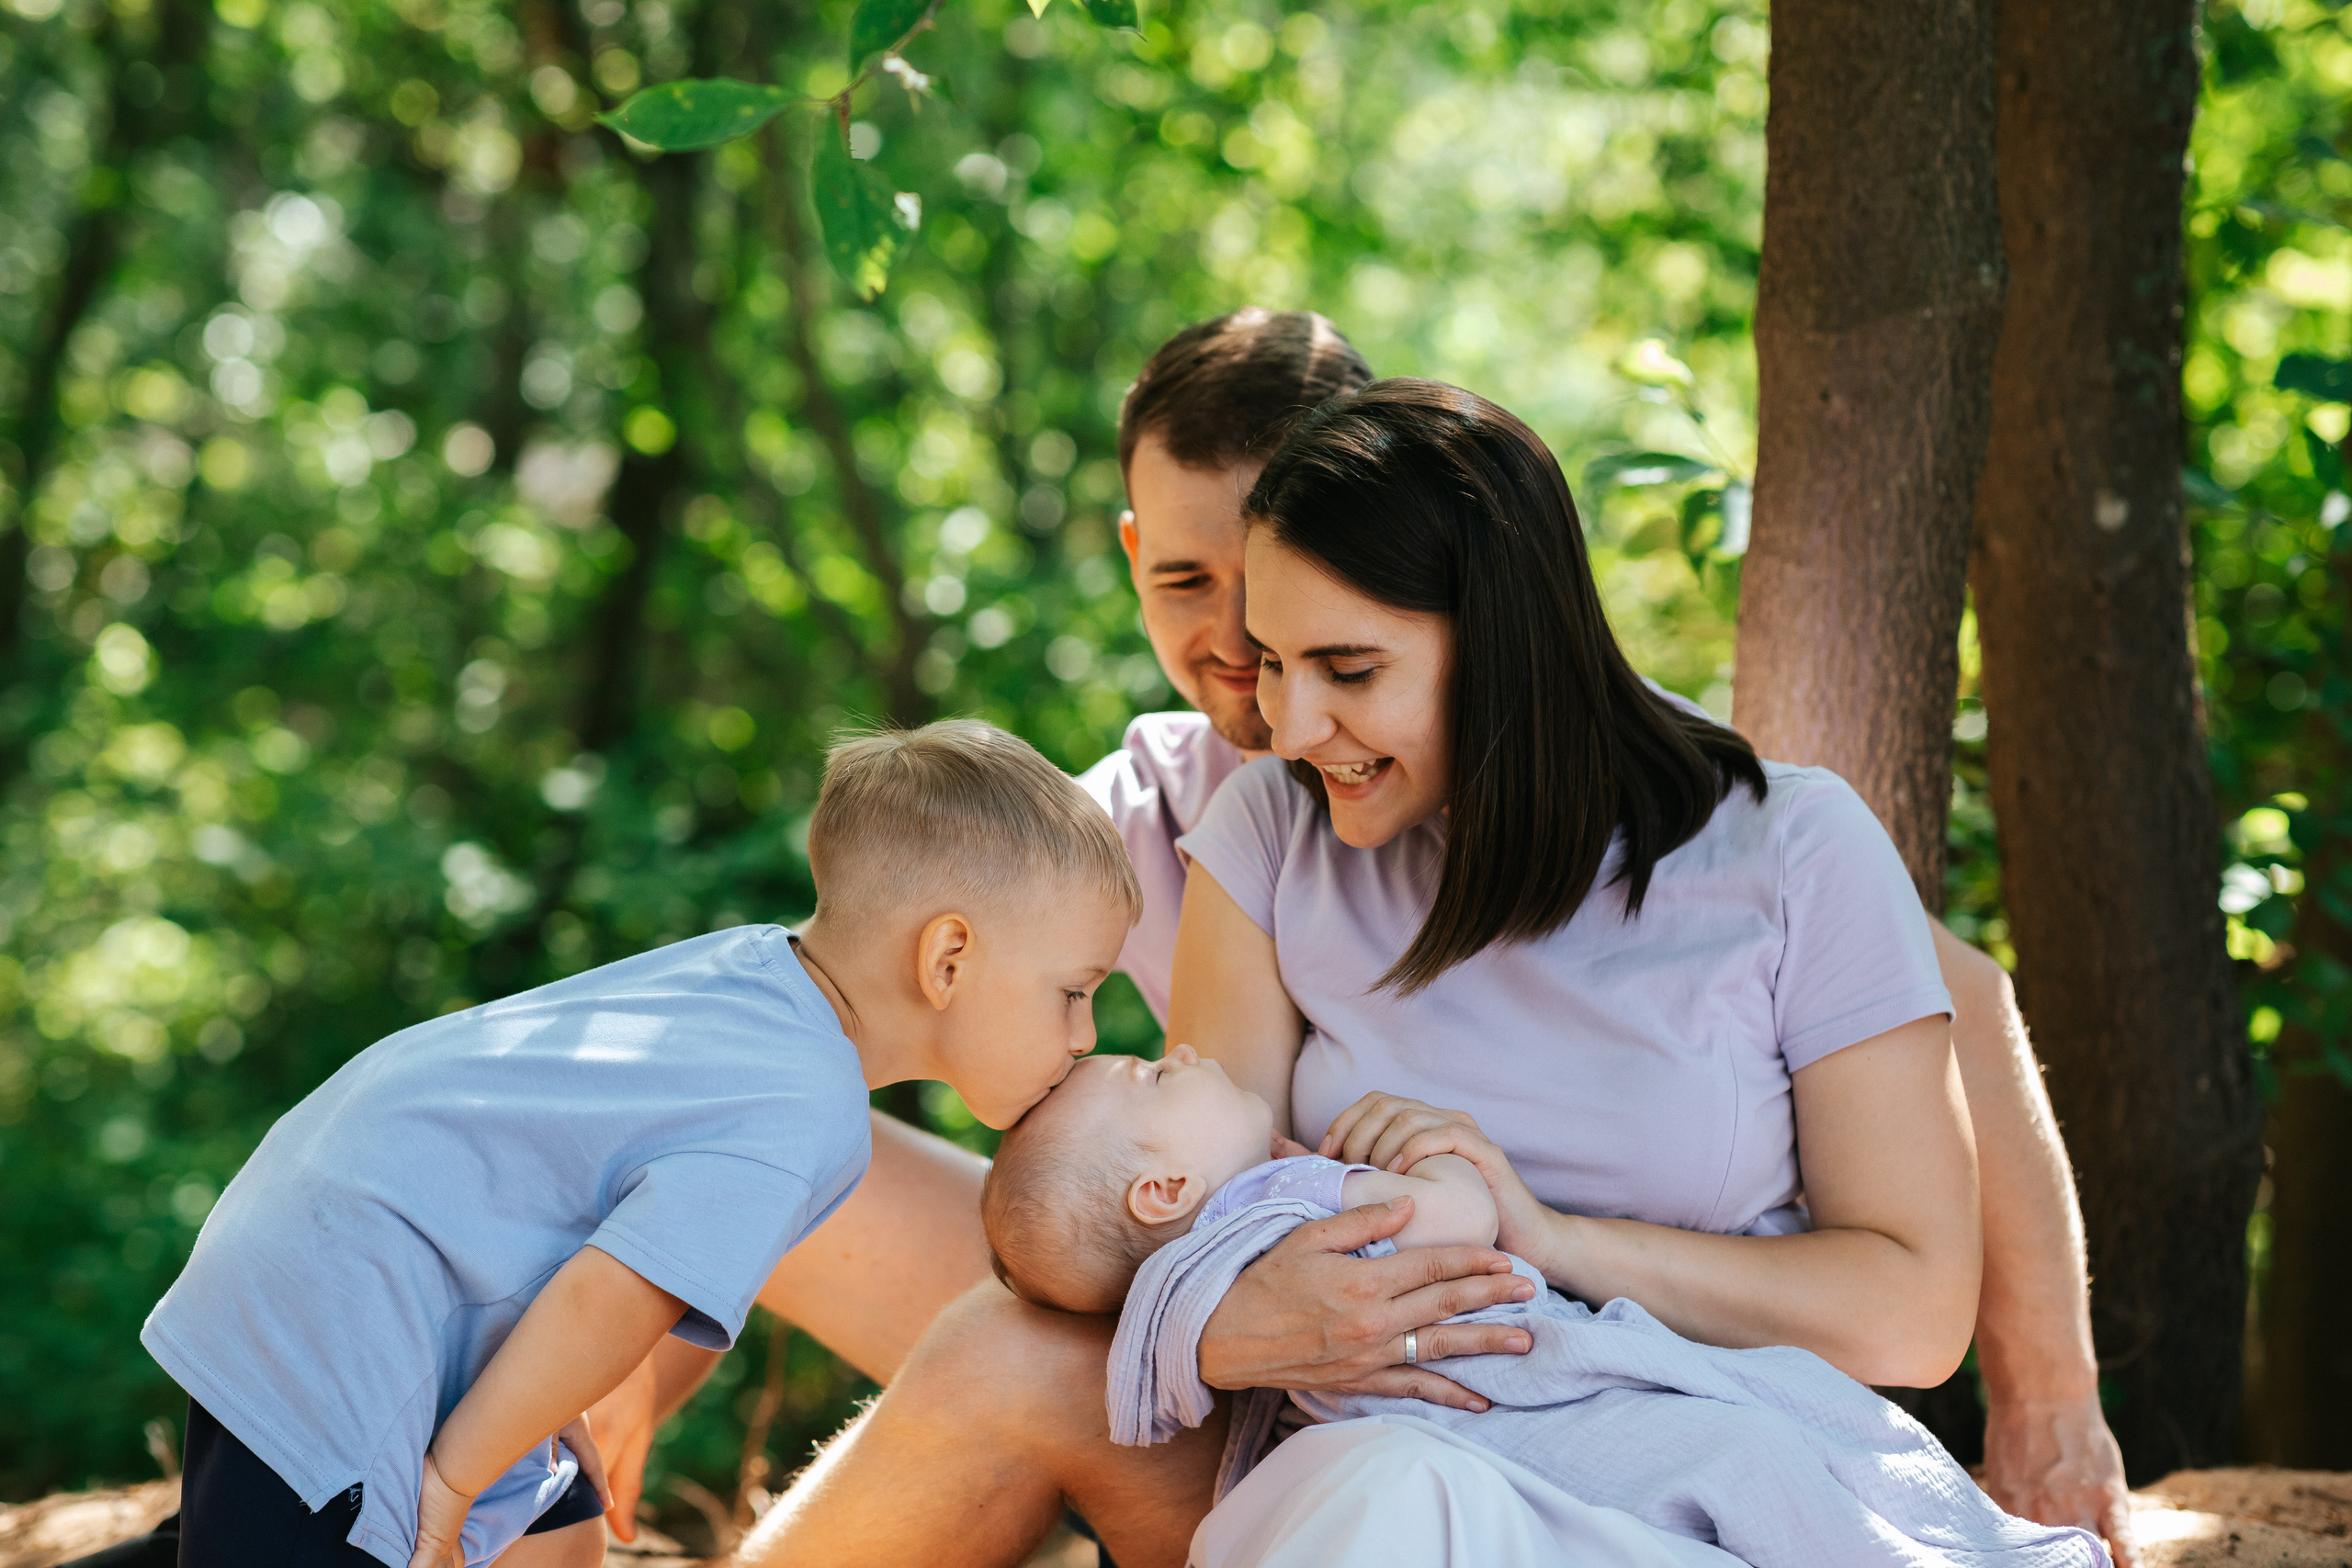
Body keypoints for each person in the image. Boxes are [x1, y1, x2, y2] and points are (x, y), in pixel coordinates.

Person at [605, 311, 2132, 1563]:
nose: (1277, 711)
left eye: (1341, 663)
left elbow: (1912, 1293)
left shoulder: (1779, 846)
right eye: (1256, 648)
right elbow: (1214, 1174)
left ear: (1506, 640)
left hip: (1660, 1432)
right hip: (1366, 1436)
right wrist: (1228, 1321)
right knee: (1275, 1455)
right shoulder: (1249, 818)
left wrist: (1558, 1243)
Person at [137, 720, 1136, 1568]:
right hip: (356, 1312)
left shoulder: (753, 973)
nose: (1086, 1034)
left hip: (332, 1231)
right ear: (949, 956)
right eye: (1075, 991)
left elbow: (571, 1185)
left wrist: (522, 1444)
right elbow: (606, 1297)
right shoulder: (804, 1107)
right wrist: (446, 1482)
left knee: (555, 1513)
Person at [982, 1044, 1497, 1315]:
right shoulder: (1284, 1195)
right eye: (1157, 1075)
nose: (1181, 1051)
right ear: (1166, 1190)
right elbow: (1464, 1220)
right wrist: (1433, 1147)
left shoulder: (1227, 1279)